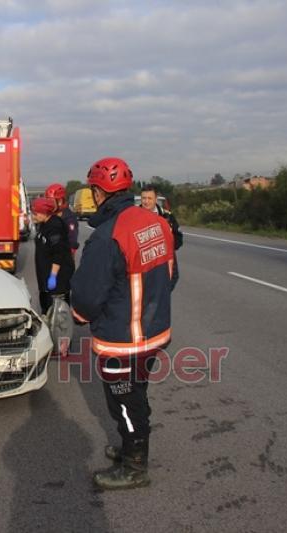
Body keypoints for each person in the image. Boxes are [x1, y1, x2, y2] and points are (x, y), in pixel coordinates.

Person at [71, 157, 177, 491]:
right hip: (155, 333)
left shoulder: (106, 237)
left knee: (123, 401)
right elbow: (171, 276)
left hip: (122, 339)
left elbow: (86, 300)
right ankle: (132, 447)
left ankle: (135, 466)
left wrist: (81, 316)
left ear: (99, 192)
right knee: (136, 392)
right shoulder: (156, 223)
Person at [31, 197, 75, 314]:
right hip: (45, 277)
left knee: (57, 312)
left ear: (45, 213)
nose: (33, 216)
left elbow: (58, 253)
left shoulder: (55, 227)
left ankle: (58, 332)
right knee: (46, 307)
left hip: (57, 277)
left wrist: (53, 276)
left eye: (35, 213)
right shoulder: (44, 224)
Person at [140, 185, 183, 250]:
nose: (146, 202)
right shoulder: (133, 217)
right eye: (144, 198)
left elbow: (178, 239)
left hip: (165, 258)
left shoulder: (167, 216)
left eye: (149, 198)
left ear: (156, 199)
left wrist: (164, 249)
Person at [45, 183, 80, 256]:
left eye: (51, 201)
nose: (48, 204)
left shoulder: (69, 219)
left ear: (60, 202)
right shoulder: (50, 216)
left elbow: (72, 242)